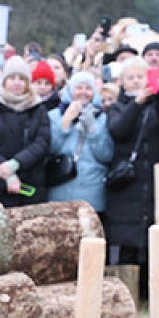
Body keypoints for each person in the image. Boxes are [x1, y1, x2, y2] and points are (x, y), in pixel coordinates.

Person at [104, 58, 159, 273]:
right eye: (131, 78)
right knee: (126, 239)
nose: (136, 81)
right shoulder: (118, 107)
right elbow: (118, 131)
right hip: (127, 182)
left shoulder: (158, 106)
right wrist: (136, 104)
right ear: (122, 83)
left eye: (140, 77)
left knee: (152, 238)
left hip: (154, 180)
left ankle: (151, 288)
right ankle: (127, 286)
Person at [0, 55, 50, 206]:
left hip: (30, 184)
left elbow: (42, 141)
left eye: (21, 79)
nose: (17, 83)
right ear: (4, 81)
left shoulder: (38, 109)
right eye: (12, 78)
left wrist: (16, 163)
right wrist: (3, 169)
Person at [45, 71, 113, 214]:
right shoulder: (53, 115)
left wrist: (93, 129)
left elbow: (106, 155)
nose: (83, 92)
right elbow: (50, 149)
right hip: (59, 191)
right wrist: (65, 123)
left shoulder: (103, 118)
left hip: (92, 193)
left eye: (88, 88)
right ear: (70, 90)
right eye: (79, 88)